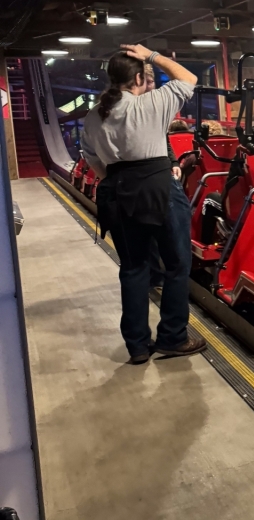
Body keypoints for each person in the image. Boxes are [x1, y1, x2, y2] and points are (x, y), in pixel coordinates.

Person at [81, 44, 206, 364]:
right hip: (158, 187)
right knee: (177, 265)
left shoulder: (93, 117)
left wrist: (119, 180)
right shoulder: (152, 104)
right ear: (138, 78)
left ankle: (137, 346)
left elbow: (94, 163)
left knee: (134, 269)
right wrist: (152, 56)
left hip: (116, 191)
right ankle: (172, 338)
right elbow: (188, 77)